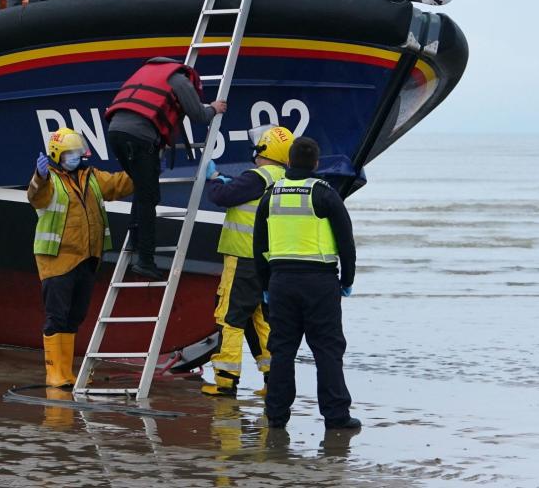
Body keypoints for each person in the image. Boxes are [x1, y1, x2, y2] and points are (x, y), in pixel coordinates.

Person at [253, 136, 361, 430]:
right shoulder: (324, 194)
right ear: (316, 164)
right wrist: (347, 280)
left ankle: (276, 415)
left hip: (281, 282)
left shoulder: (271, 195)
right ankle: (336, 416)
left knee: (282, 349)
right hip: (320, 282)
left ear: (288, 162)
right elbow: (346, 243)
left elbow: (259, 246)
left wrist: (265, 284)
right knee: (327, 349)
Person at [28, 128, 134, 387]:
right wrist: (39, 177)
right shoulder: (50, 181)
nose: (77, 157)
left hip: (87, 258)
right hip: (57, 260)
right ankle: (55, 373)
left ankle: (67, 372)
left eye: (78, 152)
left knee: (75, 316)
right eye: (71, 153)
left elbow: (118, 185)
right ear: (58, 155)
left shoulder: (92, 177)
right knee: (57, 316)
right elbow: (35, 197)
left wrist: (143, 170)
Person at [104, 57, 226, 279]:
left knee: (142, 190)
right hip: (139, 139)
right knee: (149, 197)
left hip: (115, 133)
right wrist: (213, 109)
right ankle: (146, 260)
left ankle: (134, 239)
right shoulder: (179, 79)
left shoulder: (144, 72)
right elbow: (198, 115)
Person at [200, 126, 295, 397]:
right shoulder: (285, 179)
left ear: (263, 150)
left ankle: (225, 380)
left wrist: (215, 178)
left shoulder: (257, 176)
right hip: (268, 262)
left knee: (229, 317)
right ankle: (272, 379)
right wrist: (229, 181)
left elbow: (221, 197)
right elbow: (244, 193)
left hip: (242, 258)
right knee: (261, 320)